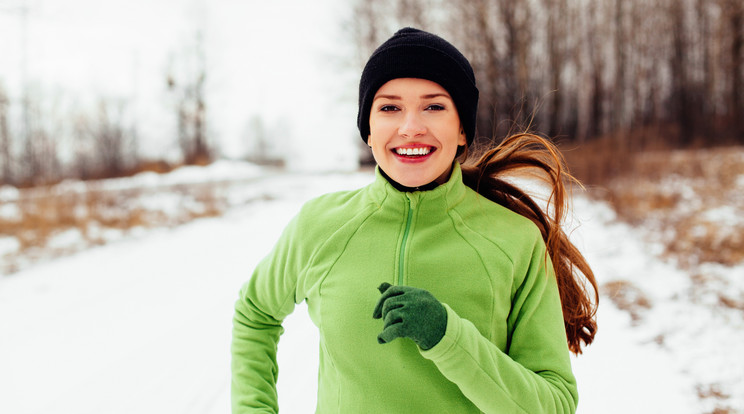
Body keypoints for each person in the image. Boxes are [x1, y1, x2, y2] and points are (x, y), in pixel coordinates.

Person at [231, 27, 598, 413]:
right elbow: (255, 315)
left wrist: (447, 337)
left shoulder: (515, 241)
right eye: (389, 107)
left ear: (461, 130)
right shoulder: (320, 227)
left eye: (434, 106)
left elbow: (554, 405)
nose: (410, 127)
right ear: (368, 131)